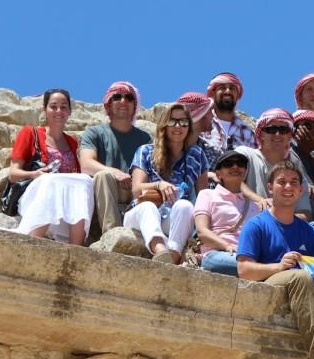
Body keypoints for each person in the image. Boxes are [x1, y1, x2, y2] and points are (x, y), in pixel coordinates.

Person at [237, 160, 314, 359]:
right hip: (266, 287)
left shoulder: (308, 232)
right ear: (270, 187)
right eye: (282, 182)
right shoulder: (256, 224)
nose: (288, 187)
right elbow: (244, 270)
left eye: (294, 182)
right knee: (299, 277)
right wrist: (279, 266)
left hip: (300, 292)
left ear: (301, 190)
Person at [235, 108, 314, 261]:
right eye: (271, 129)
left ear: (290, 135)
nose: (278, 134)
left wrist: (284, 219)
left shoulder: (294, 163)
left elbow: (305, 213)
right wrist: (258, 199)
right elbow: (233, 181)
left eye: (283, 129)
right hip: (256, 230)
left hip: (289, 229)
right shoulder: (246, 154)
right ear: (261, 134)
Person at [123, 104, 208, 264]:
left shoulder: (196, 155)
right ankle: (161, 251)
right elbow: (137, 190)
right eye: (172, 121)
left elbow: (203, 196)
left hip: (173, 219)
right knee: (148, 208)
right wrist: (158, 185)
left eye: (183, 122)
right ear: (164, 125)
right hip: (141, 215)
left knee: (185, 206)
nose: (178, 126)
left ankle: (172, 257)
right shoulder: (145, 151)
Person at [10, 89, 93, 245]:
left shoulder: (73, 142)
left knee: (85, 180)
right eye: (53, 106)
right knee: (50, 181)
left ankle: (76, 247)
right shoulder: (29, 133)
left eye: (63, 107)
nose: (58, 111)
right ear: (45, 110)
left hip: (64, 207)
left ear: (69, 111)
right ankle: (34, 240)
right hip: (35, 197)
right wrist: (35, 174)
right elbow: (13, 174)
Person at [79, 81, 151, 236]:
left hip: (134, 188)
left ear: (134, 105)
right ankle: (112, 234)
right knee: (104, 176)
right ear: (108, 104)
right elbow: (86, 164)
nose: (123, 101)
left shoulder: (144, 139)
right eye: (117, 97)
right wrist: (115, 173)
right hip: (105, 189)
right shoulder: (94, 133)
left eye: (129, 98)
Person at [193, 150, 260, 276]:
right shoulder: (207, 194)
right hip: (216, 254)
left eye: (240, 164)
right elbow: (202, 232)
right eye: (228, 164)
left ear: (245, 172)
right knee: (250, 266)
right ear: (218, 174)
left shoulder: (254, 205)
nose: (235, 167)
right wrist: (228, 246)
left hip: (247, 256)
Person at [202, 72, 257, 166]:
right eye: (222, 88)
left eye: (232, 88)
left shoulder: (248, 133)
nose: (228, 91)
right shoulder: (201, 124)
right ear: (212, 93)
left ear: (238, 95)